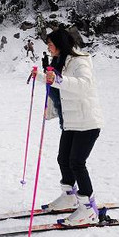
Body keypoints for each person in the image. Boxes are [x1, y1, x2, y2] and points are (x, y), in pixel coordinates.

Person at [29, 28, 104, 226]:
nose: (48, 48)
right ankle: (70, 196)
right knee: (63, 159)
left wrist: (59, 79)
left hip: (87, 122)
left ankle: (89, 209)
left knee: (77, 163)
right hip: (71, 122)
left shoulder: (79, 61)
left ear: (60, 44)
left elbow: (84, 85)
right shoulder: (60, 62)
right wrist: (39, 76)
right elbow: (56, 85)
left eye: (50, 44)